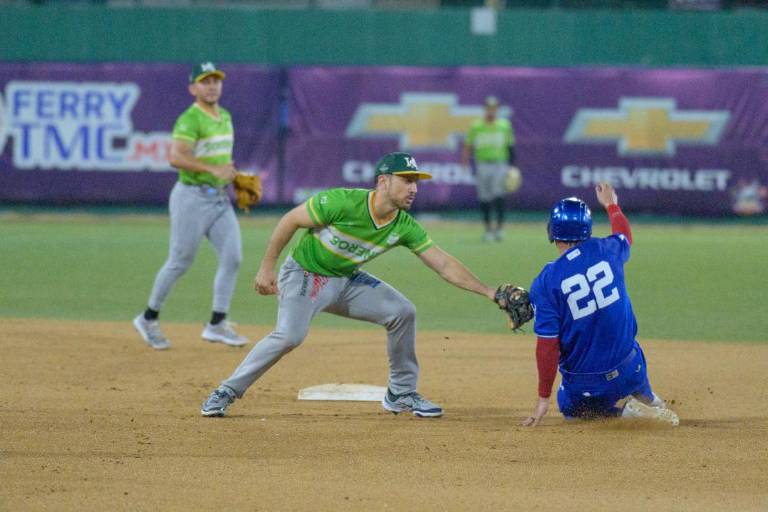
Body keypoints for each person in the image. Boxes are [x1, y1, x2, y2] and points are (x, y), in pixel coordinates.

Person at [201, 152, 499, 418]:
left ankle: (401, 394)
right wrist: (267, 268)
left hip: (346, 280)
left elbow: (444, 264)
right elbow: (290, 220)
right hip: (305, 275)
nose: (414, 188)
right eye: (407, 180)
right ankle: (226, 391)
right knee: (290, 335)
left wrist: (489, 291)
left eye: (416, 182)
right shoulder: (343, 201)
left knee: (402, 312)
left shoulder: (403, 226)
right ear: (383, 181)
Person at [522, 183, 679, 427]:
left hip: (587, 385)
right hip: (630, 368)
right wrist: (611, 204)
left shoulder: (545, 282)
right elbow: (625, 234)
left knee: (572, 412)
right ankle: (649, 399)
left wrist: (543, 399)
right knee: (632, 357)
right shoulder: (608, 249)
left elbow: (547, 346)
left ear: (552, 231)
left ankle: (625, 413)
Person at [132, 62, 248, 350]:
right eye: (204, 81)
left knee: (233, 257)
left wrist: (233, 177)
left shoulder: (226, 116)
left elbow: (219, 161)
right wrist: (213, 170)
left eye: (215, 80)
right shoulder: (190, 119)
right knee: (180, 261)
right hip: (191, 197)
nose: (211, 85)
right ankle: (148, 318)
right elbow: (176, 158)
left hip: (219, 199)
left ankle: (217, 324)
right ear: (192, 88)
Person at [461, 96, 516, 243]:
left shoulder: (504, 125)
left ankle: (499, 229)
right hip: (483, 164)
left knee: (498, 195)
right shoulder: (477, 126)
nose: (491, 110)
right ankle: (488, 230)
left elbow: (510, 147)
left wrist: (512, 167)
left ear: (497, 109)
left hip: (500, 164)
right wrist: (465, 162)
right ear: (485, 109)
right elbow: (468, 145)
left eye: (494, 108)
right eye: (489, 107)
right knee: (484, 197)